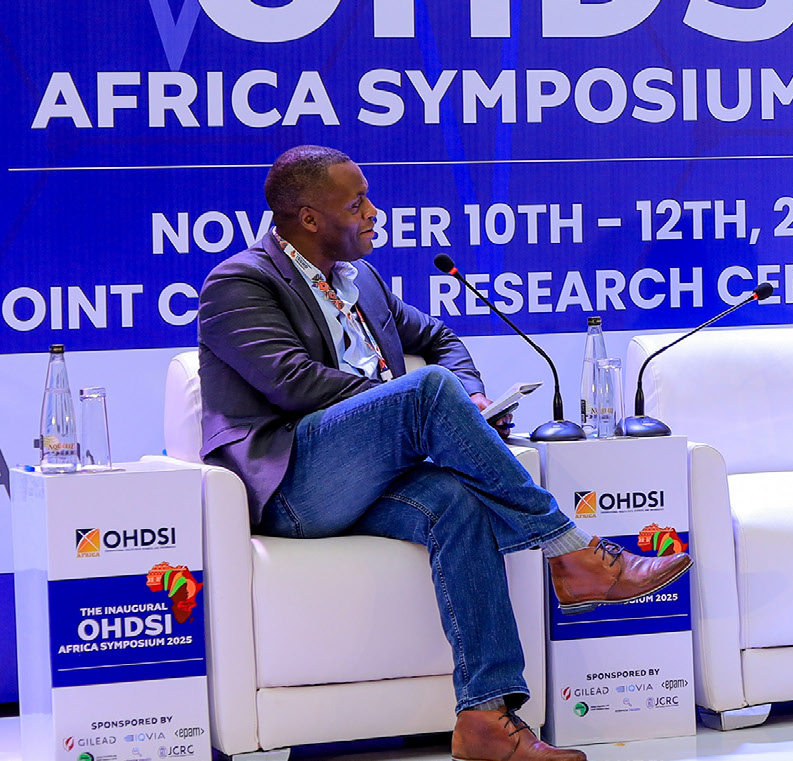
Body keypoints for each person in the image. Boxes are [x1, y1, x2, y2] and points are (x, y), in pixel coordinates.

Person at [197, 146, 692, 761]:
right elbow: (293, 383)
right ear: (309, 218)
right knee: (426, 391)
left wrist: (471, 396)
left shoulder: (361, 281)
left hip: (370, 480)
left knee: (457, 501)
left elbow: (439, 338)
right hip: (293, 488)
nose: (374, 213)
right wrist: (410, 405)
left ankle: (486, 718)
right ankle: (573, 552)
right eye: (356, 204)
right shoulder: (240, 284)